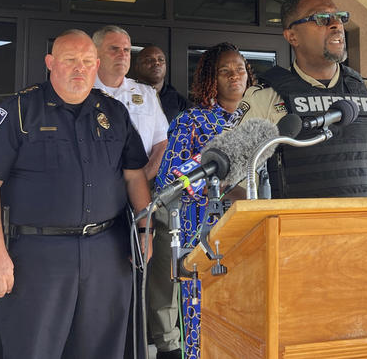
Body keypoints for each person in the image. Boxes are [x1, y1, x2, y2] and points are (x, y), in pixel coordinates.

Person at [0, 30, 153, 359]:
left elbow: (134, 176)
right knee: (33, 349)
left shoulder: (115, 114)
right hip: (37, 257)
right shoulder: (20, 110)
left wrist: (145, 231)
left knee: (102, 349)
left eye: (85, 61)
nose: (78, 68)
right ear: (50, 63)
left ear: (96, 65)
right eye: (69, 60)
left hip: (107, 252)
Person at [235, 0, 367, 198]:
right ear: (292, 36)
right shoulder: (266, 99)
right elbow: (230, 180)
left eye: (339, 17)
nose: (336, 24)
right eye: (321, 18)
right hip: (296, 230)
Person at [152, 43, 255, 359]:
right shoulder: (193, 120)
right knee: (204, 316)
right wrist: (223, 187)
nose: (234, 75)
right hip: (205, 231)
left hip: (254, 231)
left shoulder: (260, 117)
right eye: (225, 70)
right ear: (211, 77)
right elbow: (171, 179)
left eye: (239, 68)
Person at [92, 26, 169, 181]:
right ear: (95, 53)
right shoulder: (81, 91)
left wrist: (139, 180)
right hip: (92, 189)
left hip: (139, 190)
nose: (122, 55)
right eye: (114, 49)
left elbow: (162, 144)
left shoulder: (147, 93)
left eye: (126, 50)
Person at [135, 45, 190, 123]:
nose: (156, 63)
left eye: (161, 59)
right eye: (149, 59)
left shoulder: (180, 102)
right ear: (137, 67)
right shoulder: (125, 95)